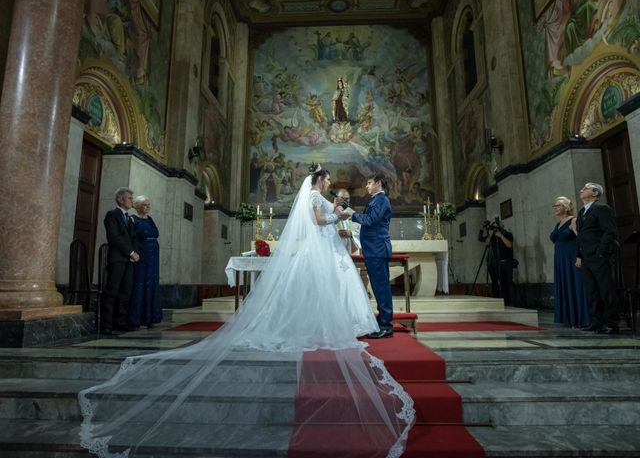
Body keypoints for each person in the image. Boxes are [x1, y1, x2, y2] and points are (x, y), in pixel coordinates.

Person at [79, 165, 414, 458]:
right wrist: (339, 214)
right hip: (325, 249)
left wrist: (340, 213)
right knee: (320, 290)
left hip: (337, 248)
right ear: (320, 180)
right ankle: (323, 323)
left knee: (330, 289)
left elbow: (334, 217)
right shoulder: (314, 197)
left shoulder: (342, 197)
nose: (328, 184)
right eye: (326, 180)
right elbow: (319, 219)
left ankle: (349, 321)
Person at [347, 174, 394, 339]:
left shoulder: (381, 200)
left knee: (381, 287)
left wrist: (352, 214)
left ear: (378, 183)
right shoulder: (376, 200)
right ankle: (383, 322)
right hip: (374, 249)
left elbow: (371, 220)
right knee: (378, 287)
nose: (366, 186)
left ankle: (386, 326)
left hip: (377, 249)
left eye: (369, 183)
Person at [575, 182, 618, 334]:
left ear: (595, 193)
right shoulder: (581, 213)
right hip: (586, 257)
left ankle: (611, 323)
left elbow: (609, 231)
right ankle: (596, 322)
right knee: (591, 291)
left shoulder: (602, 209)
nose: (582, 190)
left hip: (598, 256)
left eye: (585, 188)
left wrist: (601, 251)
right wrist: (579, 255)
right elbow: (580, 237)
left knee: (606, 289)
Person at [101, 187, 139, 335]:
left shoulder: (129, 218)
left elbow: (133, 238)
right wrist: (131, 252)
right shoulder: (112, 215)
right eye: (129, 198)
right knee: (112, 291)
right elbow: (114, 237)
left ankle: (120, 322)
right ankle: (106, 325)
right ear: (120, 199)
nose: (132, 201)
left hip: (129, 260)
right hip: (117, 259)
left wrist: (135, 253)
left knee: (125, 291)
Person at [550, 196, 590, 328]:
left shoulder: (573, 220)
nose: (555, 207)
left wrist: (580, 256)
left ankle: (581, 319)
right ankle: (569, 317)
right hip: (560, 259)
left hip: (572, 257)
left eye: (559, 205)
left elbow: (581, 239)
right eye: (554, 205)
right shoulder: (558, 224)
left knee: (576, 285)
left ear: (567, 207)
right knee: (565, 284)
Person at [130, 195, 162, 329]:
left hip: (153, 255)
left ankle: (150, 317)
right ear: (137, 206)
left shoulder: (150, 219)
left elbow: (155, 233)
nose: (147, 207)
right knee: (141, 282)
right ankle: (138, 318)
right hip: (142, 254)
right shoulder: (133, 219)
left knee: (152, 282)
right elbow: (132, 237)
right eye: (145, 205)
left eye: (148, 205)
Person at [478, 217, 515, 305]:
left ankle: (512, 303)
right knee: (500, 283)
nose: (496, 229)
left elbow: (509, 245)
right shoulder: (494, 238)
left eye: (498, 227)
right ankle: (503, 302)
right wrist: (491, 234)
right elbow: (486, 242)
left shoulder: (508, 234)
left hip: (507, 262)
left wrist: (501, 236)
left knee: (508, 283)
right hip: (497, 263)